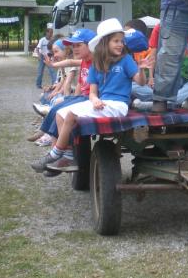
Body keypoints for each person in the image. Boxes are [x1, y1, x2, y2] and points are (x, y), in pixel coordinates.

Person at [31, 19, 150, 173]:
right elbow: (93, 92)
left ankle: (54, 154)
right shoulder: (96, 64)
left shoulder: (126, 60)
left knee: (71, 114)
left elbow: (140, 82)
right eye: (116, 41)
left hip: (118, 105)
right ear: (104, 43)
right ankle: (67, 155)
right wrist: (94, 100)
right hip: (103, 102)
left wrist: (141, 69)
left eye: (121, 41)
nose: (120, 44)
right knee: (60, 114)